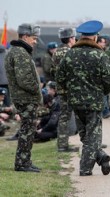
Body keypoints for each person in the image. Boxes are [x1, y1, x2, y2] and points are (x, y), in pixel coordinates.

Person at [56, 20, 110, 176]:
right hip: (94, 102)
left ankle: (101, 157)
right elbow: (109, 80)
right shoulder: (100, 55)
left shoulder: (70, 54)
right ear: (95, 37)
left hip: (76, 102)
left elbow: (59, 78)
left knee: (85, 135)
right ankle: (85, 169)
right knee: (93, 137)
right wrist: (103, 92)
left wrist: (67, 94)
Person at [5, 23, 42, 172]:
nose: (35, 41)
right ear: (25, 37)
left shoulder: (17, 51)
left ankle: (25, 161)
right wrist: (37, 90)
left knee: (28, 130)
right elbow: (24, 80)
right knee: (27, 131)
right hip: (26, 98)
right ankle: (22, 163)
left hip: (23, 98)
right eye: (34, 38)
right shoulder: (20, 53)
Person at [52, 27, 77, 152]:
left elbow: (53, 71)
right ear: (70, 39)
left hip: (61, 89)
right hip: (72, 89)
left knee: (63, 117)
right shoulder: (72, 52)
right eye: (74, 38)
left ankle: (62, 144)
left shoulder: (56, 52)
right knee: (77, 116)